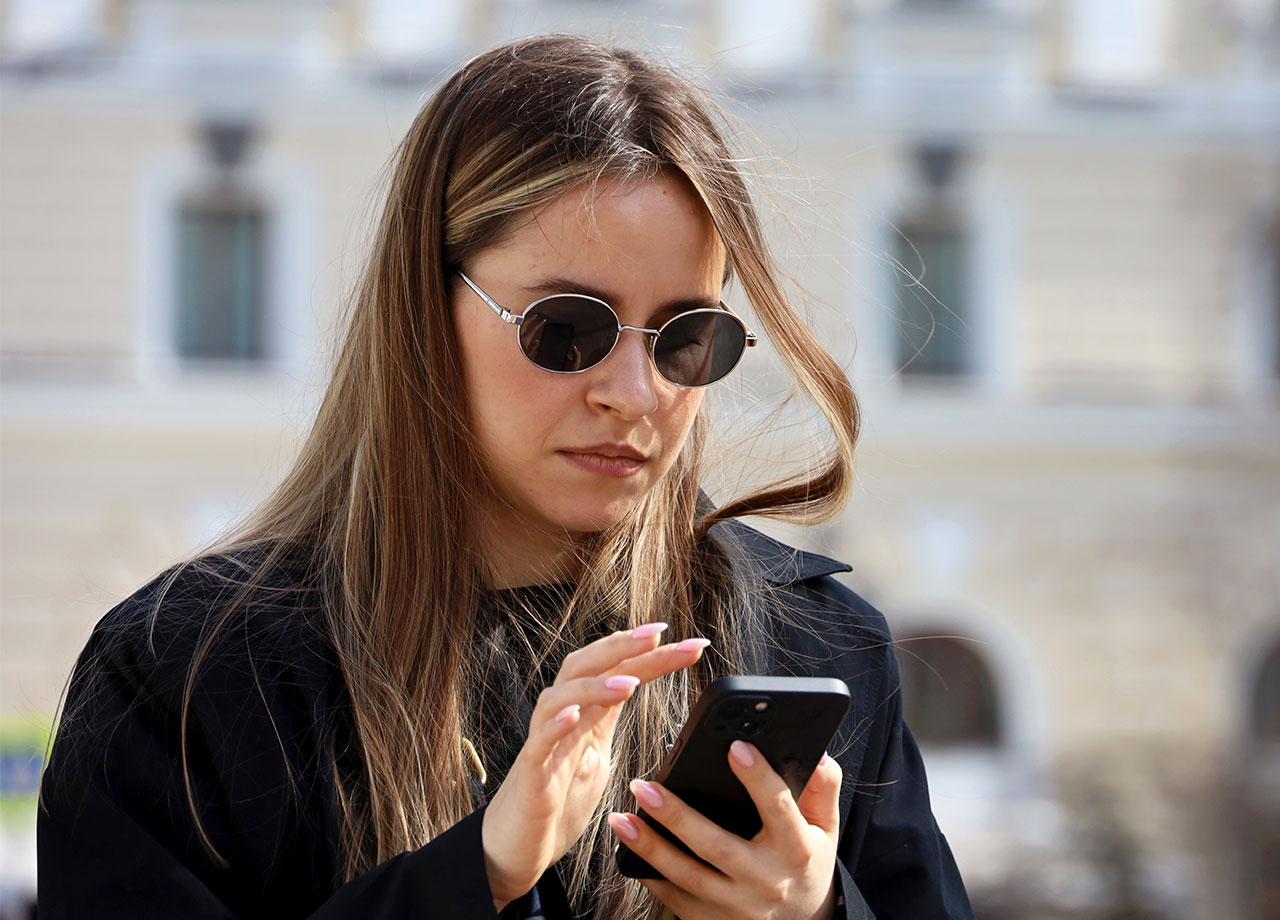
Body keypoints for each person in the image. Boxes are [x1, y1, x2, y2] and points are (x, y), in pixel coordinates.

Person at [38, 33, 974, 920]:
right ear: (425, 309)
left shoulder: (816, 647)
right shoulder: (190, 671)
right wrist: (475, 875)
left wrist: (814, 912)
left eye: (689, 338)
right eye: (568, 328)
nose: (634, 393)